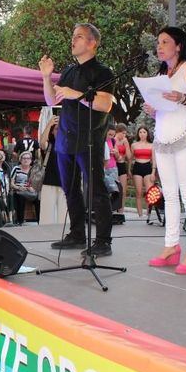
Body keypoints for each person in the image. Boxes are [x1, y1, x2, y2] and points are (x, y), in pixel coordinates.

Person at [38, 22, 116, 256]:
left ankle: (103, 240)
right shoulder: (70, 71)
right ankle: (77, 234)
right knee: (70, 189)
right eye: (73, 36)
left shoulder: (103, 72)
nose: (73, 40)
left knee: (95, 190)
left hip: (89, 138)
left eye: (79, 36)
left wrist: (78, 95)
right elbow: (52, 101)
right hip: (65, 138)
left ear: (93, 43)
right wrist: (46, 77)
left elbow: (105, 104)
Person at [145, 26, 186, 274]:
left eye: (165, 41)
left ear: (179, 45)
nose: (159, 46)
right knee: (169, 194)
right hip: (163, 137)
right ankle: (171, 246)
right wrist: (153, 110)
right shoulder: (162, 73)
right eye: (158, 42)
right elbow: (164, 107)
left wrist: (181, 98)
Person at [38, 115, 67, 225]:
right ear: (52, 132)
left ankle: (63, 237)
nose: (59, 131)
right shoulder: (50, 145)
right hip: (49, 182)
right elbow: (41, 143)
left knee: (64, 217)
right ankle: (45, 236)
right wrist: (49, 124)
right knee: (46, 215)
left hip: (65, 184)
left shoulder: (69, 145)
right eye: (56, 129)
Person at [131, 126, 156, 217]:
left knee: (150, 193)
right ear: (138, 134)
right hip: (137, 167)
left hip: (148, 167)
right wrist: (129, 170)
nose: (142, 134)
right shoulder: (134, 145)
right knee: (138, 192)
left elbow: (154, 160)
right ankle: (140, 215)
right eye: (140, 132)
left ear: (147, 133)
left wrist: (153, 172)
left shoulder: (152, 145)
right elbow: (130, 159)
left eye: (144, 132)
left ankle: (148, 214)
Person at [10, 151, 39, 225]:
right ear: (20, 159)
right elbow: (11, 183)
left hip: (29, 190)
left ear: (31, 160)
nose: (26, 160)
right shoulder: (16, 168)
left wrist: (32, 188)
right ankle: (20, 221)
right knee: (20, 197)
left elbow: (36, 183)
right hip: (18, 190)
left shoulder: (33, 169)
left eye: (28, 158)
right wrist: (18, 187)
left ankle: (40, 220)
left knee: (38, 199)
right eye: (24, 158)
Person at [114, 123, 132, 212]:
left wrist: (126, 145)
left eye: (125, 134)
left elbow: (129, 157)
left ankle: (121, 210)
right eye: (123, 133)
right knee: (115, 188)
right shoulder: (114, 140)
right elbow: (115, 155)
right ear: (118, 132)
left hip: (122, 165)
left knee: (123, 190)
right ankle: (114, 208)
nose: (124, 135)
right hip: (114, 165)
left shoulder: (125, 141)